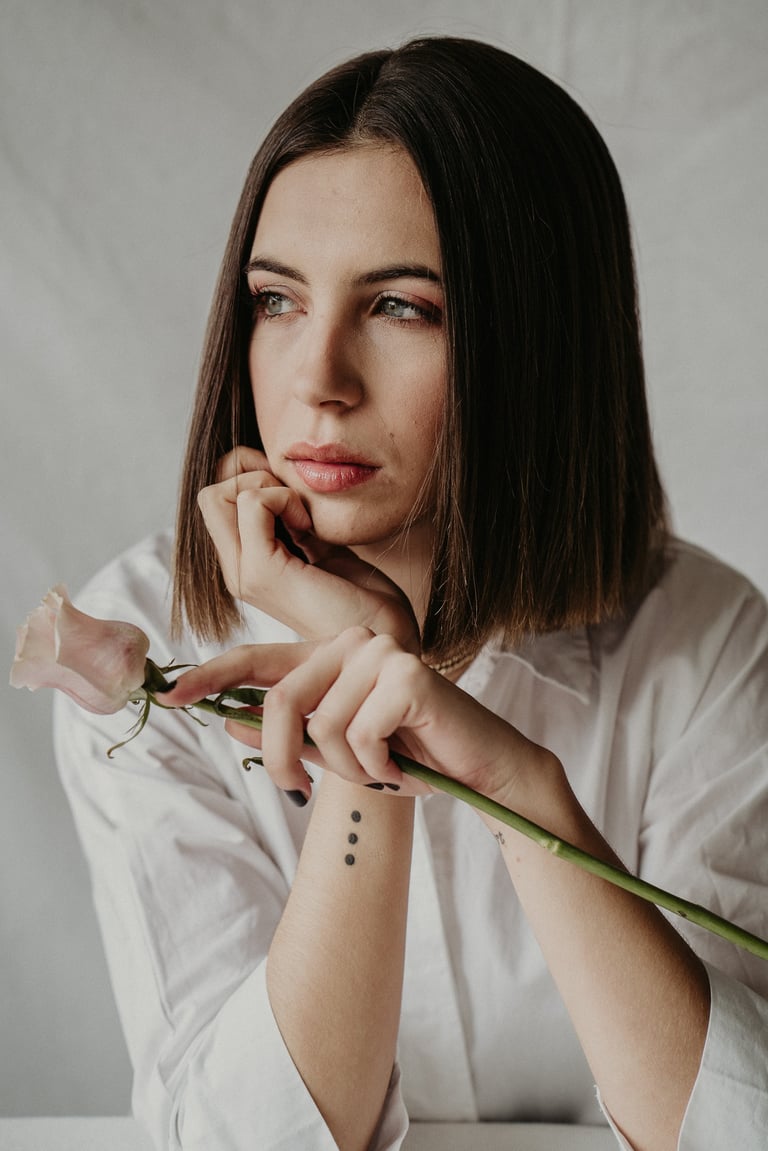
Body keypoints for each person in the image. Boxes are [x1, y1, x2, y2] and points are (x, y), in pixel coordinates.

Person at [54, 36, 768, 1151]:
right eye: (277, 300)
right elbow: (247, 1141)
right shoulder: (147, 645)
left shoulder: (708, 644)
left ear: (537, 342)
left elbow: (737, 1125)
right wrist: (367, 718)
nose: (317, 380)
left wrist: (522, 784)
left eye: (400, 307)